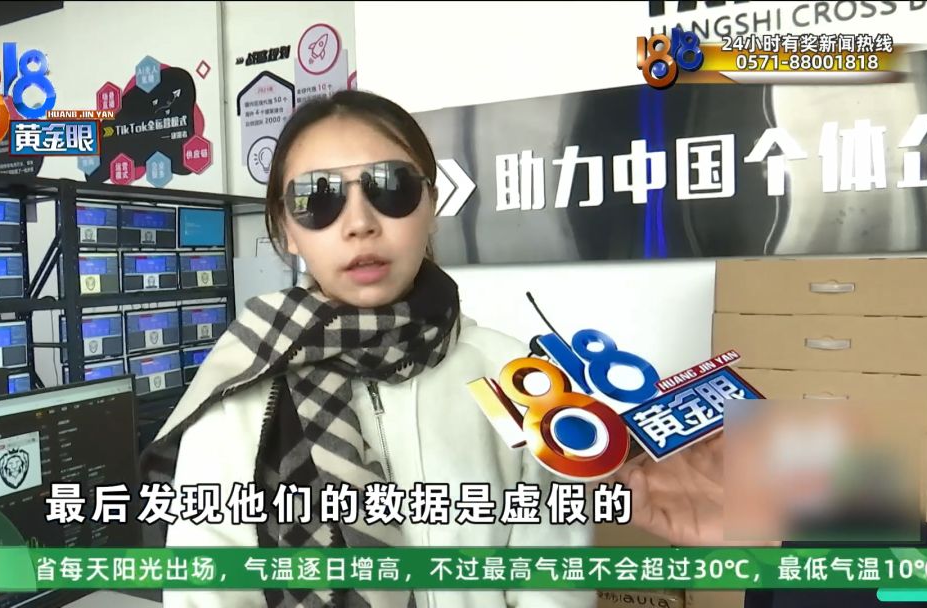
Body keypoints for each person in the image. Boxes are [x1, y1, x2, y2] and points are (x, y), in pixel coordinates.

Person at [139, 89, 738, 608]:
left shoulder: (519, 378)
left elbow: (551, 586)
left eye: (391, 187)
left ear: (432, 205)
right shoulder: (240, 390)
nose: (359, 222)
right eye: (317, 198)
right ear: (286, 227)